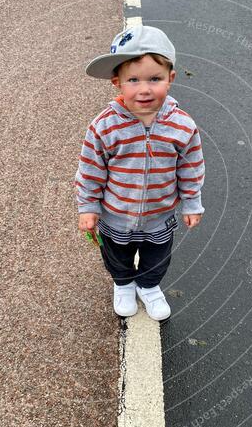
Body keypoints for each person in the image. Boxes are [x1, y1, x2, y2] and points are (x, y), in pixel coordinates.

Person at [74, 24, 205, 320]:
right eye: (133, 79)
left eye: (154, 79)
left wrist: (192, 202)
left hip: (159, 215)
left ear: (170, 79)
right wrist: (88, 207)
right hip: (115, 214)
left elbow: (191, 166)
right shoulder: (104, 126)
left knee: (157, 256)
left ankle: (148, 285)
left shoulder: (182, 125)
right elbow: (91, 170)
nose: (144, 89)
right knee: (115, 256)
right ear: (117, 82)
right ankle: (123, 284)